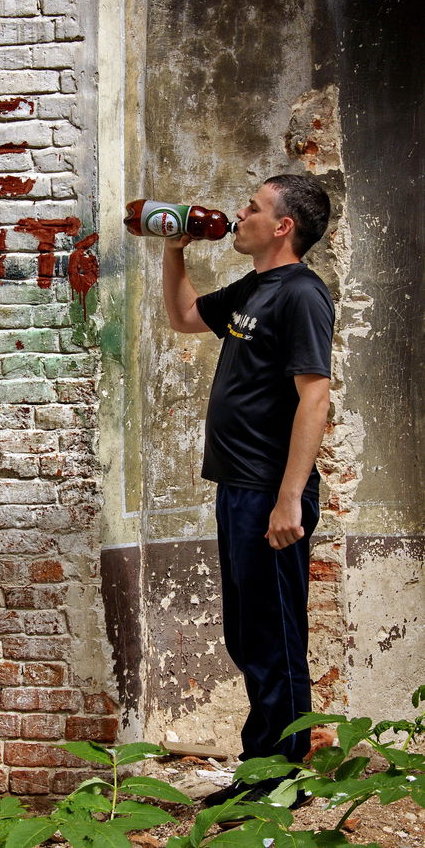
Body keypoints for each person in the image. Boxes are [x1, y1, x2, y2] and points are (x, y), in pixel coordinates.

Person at [162, 174, 334, 807]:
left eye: (253, 208)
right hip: (237, 487)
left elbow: (314, 395)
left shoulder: (302, 296)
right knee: (247, 632)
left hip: (269, 492)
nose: (239, 214)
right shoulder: (255, 289)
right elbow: (183, 317)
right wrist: (174, 248)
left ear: (282, 226)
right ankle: (262, 771)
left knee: (274, 634)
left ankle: (281, 780)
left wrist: (290, 497)